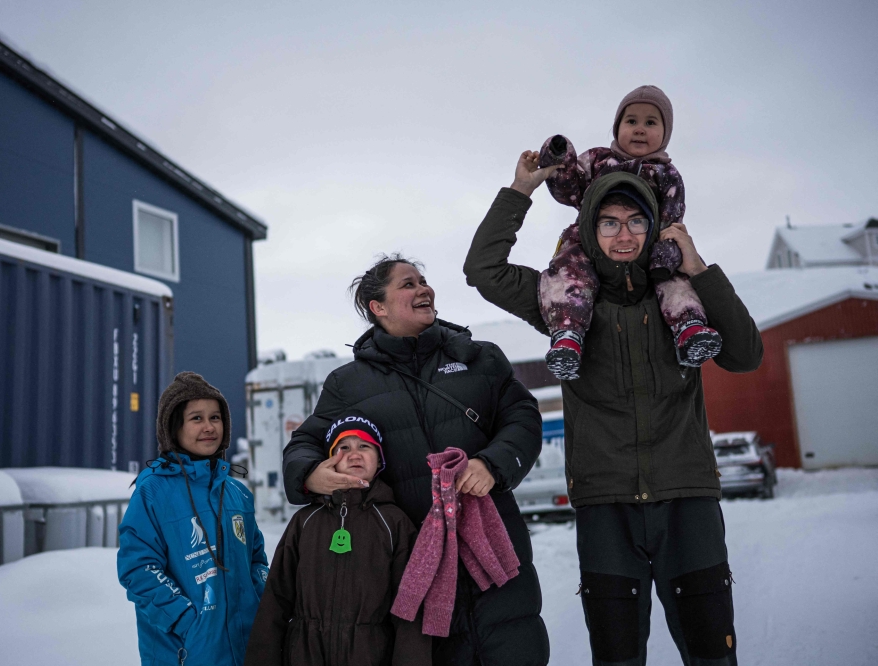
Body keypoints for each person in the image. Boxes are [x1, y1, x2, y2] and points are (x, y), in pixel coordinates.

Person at [463, 155, 763, 666]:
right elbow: (482, 269)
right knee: (617, 656)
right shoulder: (564, 302)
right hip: (606, 510)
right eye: (608, 223)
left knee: (713, 653)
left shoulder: (683, 302)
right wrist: (520, 190)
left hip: (687, 502)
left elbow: (744, 354)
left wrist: (697, 265)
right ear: (588, 228)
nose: (623, 235)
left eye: (635, 221)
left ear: (652, 227)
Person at [283, 255, 550, 666]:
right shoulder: (348, 383)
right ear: (379, 307)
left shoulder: (480, 358)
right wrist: (310, 475)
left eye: (424, 280)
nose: (424, 289)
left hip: (495, 544)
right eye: (408, 284)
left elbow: (523, 416)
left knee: (515, 647)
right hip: (416, 559)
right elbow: (305, 442)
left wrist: (493, 464)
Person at [535, 84, 721, 379]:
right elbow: (568, 189)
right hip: (590, 244)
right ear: (617, 126)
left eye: (650, 122)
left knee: (677, 282)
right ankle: (568, 336)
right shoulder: (598, 160)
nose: (639, 129)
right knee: (567, 277)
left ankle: (690, 329)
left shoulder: (667, 175)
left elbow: (671, 220)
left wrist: (664, 260)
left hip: (651, 246)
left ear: (665, 132)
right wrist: (558, 155)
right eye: (631, 121)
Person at [245, 409, 431, 666]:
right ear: (329, 459)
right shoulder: (305, 521)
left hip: (370, 655)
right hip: (305, 655)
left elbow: (410, 609)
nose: (354, 453)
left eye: (365, 446)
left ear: (380, 459)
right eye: (343, 446)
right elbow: (276, 599)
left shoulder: (395, 524)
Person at [118, 372, 269, 666]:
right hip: (186, 652)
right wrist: (186, 621)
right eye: (196, 418)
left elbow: (256, 559)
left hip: (247, 648)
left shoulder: (237, 493)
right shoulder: (153, 491)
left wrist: (258, 603)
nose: (209, 427)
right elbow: (138, 569)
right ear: (173, 427)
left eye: (215, 417)